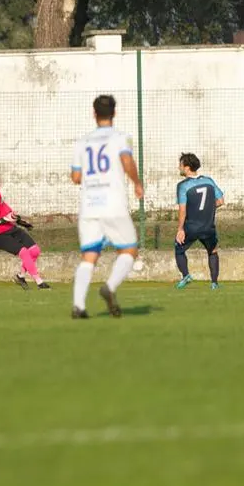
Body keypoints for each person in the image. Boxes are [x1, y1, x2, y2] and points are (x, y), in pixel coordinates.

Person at [70, 95, 144, 319]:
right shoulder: (121, 138)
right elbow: (127, 162)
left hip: (90, 205)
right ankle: (109, 287)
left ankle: (78, 306)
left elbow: (75, 177)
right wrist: (137, 183)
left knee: (89, 256)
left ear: (94, 113)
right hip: (113, 203)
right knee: (129, 250)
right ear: (115, 113)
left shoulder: (82, 142)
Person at [0, 171, 49, 290]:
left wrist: (16, 219)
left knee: (35, 251)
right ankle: (39, 282)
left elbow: (2, 206)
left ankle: (20, 276)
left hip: (8, 227)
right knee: (24, 252)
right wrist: (0, 221)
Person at [175, 152, 225, 290]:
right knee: (213, 251)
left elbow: (182, 210)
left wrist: (180, 229)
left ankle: (186, 275)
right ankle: (214, 283)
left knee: (179, 249)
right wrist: (207, 207)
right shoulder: (208, 181)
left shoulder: (183, 186)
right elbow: (220, 201)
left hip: (191, 227)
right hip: (208, 226)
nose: (179, 168)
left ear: (186, 167)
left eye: (180, 165)